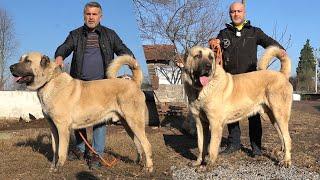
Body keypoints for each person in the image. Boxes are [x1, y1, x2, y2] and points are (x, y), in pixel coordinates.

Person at [55, 1, 134, 168]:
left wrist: (133, 65)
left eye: (94, 14)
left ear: (100, 16)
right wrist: (60, 56)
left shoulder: (110, 34)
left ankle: (97, 154)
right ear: (84, 16)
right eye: (88, 14)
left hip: (102, 84)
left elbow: (122, 49)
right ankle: (80, 149)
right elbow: (65, 47)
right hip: (80, 84)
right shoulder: (75, 34)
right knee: (77, 117)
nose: (91, 17)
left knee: (100, 119)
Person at [209, 2, 286, 157]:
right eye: (233, 12)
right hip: (231, 81)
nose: (236, 14)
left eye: (239, 11)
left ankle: (256, 146)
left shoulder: (254, 31)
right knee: (230, 115)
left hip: (252, 81)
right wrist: (213, 42)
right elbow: (214, 50)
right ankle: (234, 144)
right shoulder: (223, 33)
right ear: (230, 14)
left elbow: (268, 42)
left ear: (244, 13)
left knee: (255, 115)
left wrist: (281, 50)